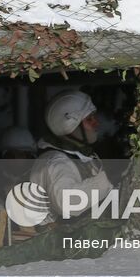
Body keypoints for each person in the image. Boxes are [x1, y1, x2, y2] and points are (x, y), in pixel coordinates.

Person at [30, 90, 115, 224]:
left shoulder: (82, 157)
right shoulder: (55, 162)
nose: (96, 123)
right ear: (70, 124)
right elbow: (68, 204)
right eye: (89, 119)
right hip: (57, 242)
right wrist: (107, 178)